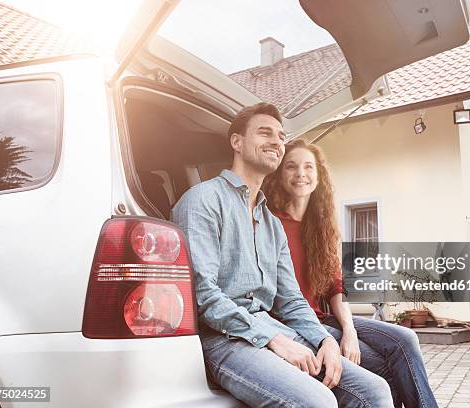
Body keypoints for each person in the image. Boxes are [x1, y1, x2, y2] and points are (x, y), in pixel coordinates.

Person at [172, 103, 393, 408]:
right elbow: (204, 295)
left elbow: (291, 301)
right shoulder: (203, 200)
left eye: (280, 136)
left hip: (273, 329)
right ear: (236, 142)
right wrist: (274, 341)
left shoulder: (271, 224)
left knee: (375, 390)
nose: (277, 142)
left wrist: (324, 339)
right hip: (224, 339)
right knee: (318, 402)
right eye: (265, 133)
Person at [262, 139, 439, 408]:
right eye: (291, 167)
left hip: (326, 319)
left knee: (407, 339)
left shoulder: (320, 227)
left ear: (319, 175)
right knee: (384, 364)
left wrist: (350, 330)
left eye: (309, 167)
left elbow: (335, 286)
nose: (301, 174)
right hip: (295, 325)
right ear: (279, 175)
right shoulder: (271, 223)